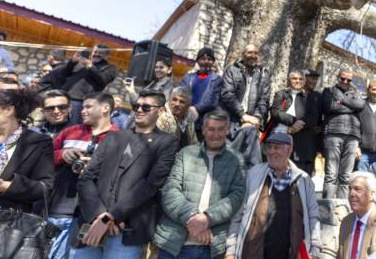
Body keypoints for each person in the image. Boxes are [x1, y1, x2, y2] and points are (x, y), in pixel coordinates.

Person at [70, 90, 178, 258]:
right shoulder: (114, 136)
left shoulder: (167, 143)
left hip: (127, 230)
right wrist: (100, 216)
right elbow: (87, 177)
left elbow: (150, 186)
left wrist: (112, 216)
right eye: (136, 106)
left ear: (161, 111)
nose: (139, 110)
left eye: (146, 107)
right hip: (92, 225)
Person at [154, 110, 246, 259]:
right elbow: (170, 191)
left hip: (210, 246)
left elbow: (236, 197)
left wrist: (207, 218)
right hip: (173, 242)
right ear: (203, 130)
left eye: (221, 129)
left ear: (227, 130)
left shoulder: (236, 160)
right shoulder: (186, 153)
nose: (215, 134)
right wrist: (194, 217)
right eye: (211, 129)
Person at [225, 132, 321, 259]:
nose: (271, 152)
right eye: (269, 147)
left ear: (289, 150)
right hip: (254, 252)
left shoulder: (303, 180)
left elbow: (313, 216)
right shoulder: (254, 174)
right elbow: (239, 215)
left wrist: (314, 250)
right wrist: (231, 251)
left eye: (277, 147)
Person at [46, 92, 118, 259]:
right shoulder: (70, 132)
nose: (83, 111)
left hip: (88, 213)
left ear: (105, 108)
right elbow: (44, 157)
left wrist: (96, 166)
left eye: (88, 107)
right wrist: (63, 154)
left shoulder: (119, 137)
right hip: (57, 206)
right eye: (83, 107)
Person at [0, 89, 54, 228]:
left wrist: (3, 187)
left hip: (5, 230)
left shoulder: (38, 143)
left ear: (8, 110)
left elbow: (44, 188)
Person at [221, 44, 271, 169]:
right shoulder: (232, 70)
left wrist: (256, 119)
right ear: (243, 54)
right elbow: (227, 94)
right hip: (232, 119)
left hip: (252, 121)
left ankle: (255, 183)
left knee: (250, 160)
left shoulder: (263, 74)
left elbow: (264, 100)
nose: (253, 56)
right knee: (228, 157)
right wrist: (243, 115)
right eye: (249, 53)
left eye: (255, 53)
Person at [336, 171, 376, 259]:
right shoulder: (346, 222)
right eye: (350, 189)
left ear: (372, 194)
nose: (351, 194)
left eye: (357, 189)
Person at [322, 69, 365, 199]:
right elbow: (329, 107)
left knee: (346, 176)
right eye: (343, 79)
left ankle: (342, 208)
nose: (345, 82)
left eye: (349, 80)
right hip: (333, 133)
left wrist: (342, 101)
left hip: (352, 135)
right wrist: (352, 107)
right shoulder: (328, 91)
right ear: (337, 77)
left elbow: (361, 105)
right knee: (331, 174)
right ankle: (327, 208)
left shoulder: (357, 92)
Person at [269, 70, 322, 175]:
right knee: (278, 166)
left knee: (299, 170)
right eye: (294, 78)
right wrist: (293, 122)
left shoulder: (311, 97)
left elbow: (313, 117)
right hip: (281, 132)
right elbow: (275, 112)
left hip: (302, 136)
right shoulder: (281, 94)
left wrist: (299, 124)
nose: (297, 81)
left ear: (304, 81)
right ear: (289, 80)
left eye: (300, 79)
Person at [53, 45, 118, 125]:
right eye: (95, 52)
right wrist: (72, 62)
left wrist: (90, 66)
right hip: (62, 96)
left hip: (78, 101)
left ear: (106, 56)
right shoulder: (81, 62)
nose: (96, 54)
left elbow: (103, 80)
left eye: (101, 53)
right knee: (52, 123)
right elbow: (63, 74)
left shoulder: (110, 68)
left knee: (69, 127)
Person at [179, 46, 223, 136]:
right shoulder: (188, 78)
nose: (206, 62)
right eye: (203, 59)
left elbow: (213, 101)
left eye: (209, 59)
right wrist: (187, 109)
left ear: (213, 62)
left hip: (205, 123)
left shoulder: (217, 80)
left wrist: (196, 108)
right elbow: (181, 94)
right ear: (197, 61)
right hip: (186, 120)